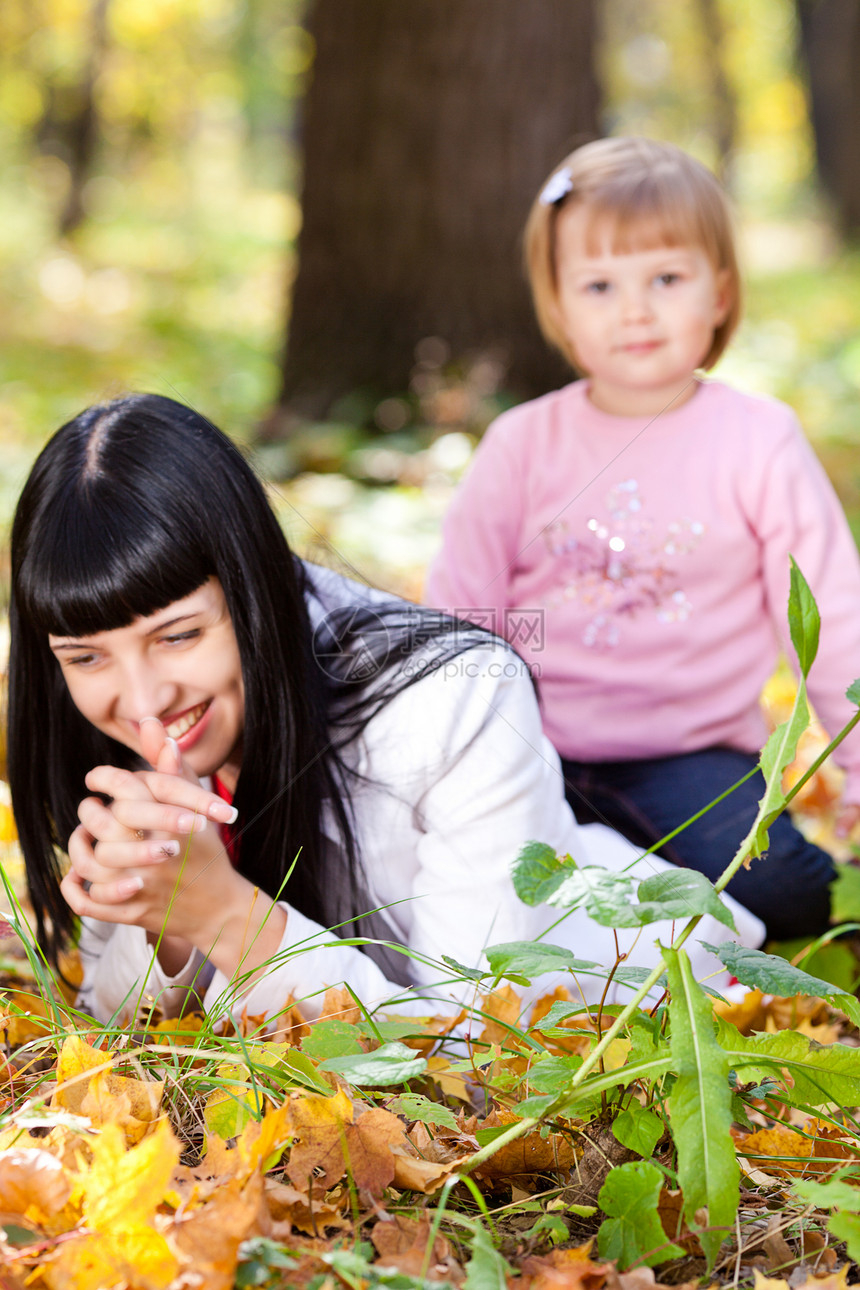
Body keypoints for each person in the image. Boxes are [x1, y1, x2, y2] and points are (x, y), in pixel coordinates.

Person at [8, 394, 761, 1028]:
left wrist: (225, 917)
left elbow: (479, 1046)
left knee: (778, 871)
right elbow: (104, 1019)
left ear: (252, 591)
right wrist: (169, 928)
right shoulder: (114, 722)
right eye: (85, 656)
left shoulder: (456, 698)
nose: (141, 700)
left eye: (178, 636)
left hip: (630, 1002)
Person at [426, 136, 860, 944]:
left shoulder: (757, 440)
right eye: (599, 285)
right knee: (461, 894)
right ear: (557, 303)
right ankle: (616, 886)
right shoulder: (522, 445)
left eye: (666, 278)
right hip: (532, 746)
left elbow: (831, 612)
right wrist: (460, 753)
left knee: (797, 893)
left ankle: (631, 884)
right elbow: (462, 614)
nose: (635, 309)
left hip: (687, 762)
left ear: (720, 293)